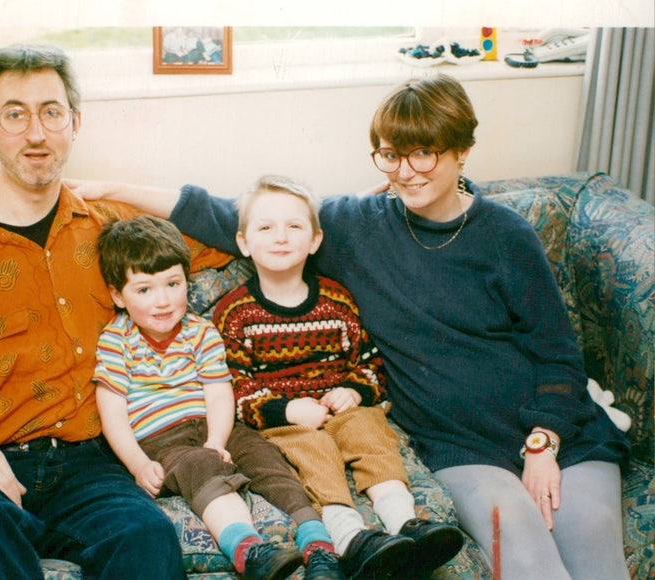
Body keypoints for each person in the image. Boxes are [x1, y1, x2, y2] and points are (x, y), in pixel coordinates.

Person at [66, 74, 631, 580]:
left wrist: (543, 443)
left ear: (461, 149)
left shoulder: (507, 234)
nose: (405, 172)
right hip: (462, 445)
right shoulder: (354, 225)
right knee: (528, 560)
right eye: (390, 155)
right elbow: (220, 213)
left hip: (558, 433)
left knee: (597, 560)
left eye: (424, 154)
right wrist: (110, 190)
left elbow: (558, 353)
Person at [0, 43, 231, 580]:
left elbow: (239, 233)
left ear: (74, 122)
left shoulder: (114, 230)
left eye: (51, 112)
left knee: (146, 537)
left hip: (91, 465)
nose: (35, 133)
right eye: (15, 114)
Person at [212, 175, 463, 580]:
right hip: (285, 420)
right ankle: (349, 536)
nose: (280, 237)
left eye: (294, 226)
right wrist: (288, 408)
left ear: (314, 240)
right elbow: (234, 386)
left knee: (370, 429)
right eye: (265, 227)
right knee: (314, 451)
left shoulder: (337, 299)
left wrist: (354, 389)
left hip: (339, 404)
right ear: (244, 242)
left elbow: (368, 362)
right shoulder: (234, 313)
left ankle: (404, 523)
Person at [93, 215, 345, 580]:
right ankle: (250, 550)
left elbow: (218, 393)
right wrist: (137, 464)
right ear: (118, 295)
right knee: (201, 465)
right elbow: (112, 412)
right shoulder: (117, 340)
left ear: (187, 282)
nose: (162, 301)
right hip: (163, 441)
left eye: (173, 284)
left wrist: (217, 440)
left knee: (267, 458)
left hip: (216, 429)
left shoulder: (200, 331)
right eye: (144, 290)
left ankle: (317, 544)